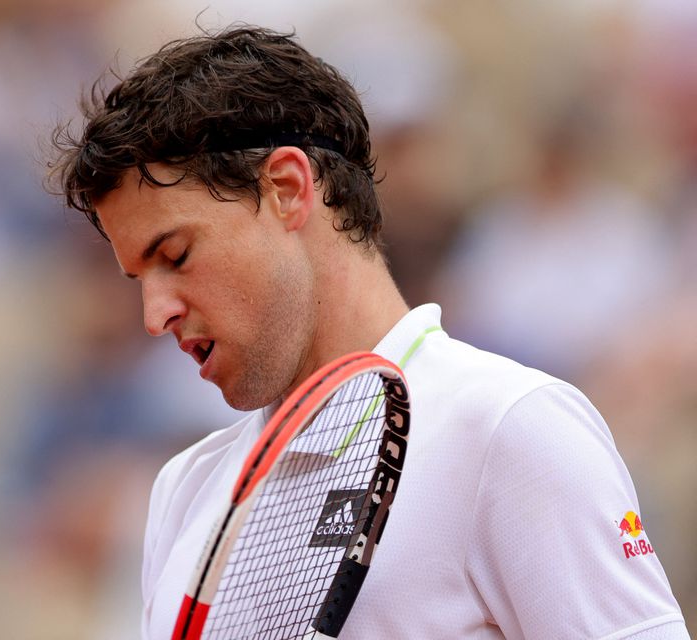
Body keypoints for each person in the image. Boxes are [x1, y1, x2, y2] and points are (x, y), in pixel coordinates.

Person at [50, 26, 689, 639]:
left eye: (177, 254)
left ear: (286, 189)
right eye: (138, 278)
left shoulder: (512, 429)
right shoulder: (183, 492)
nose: (153, 315)